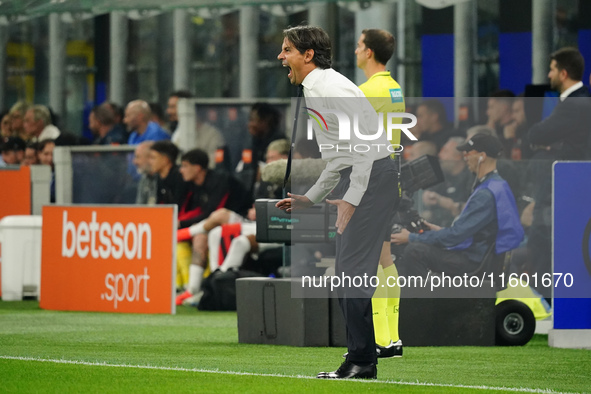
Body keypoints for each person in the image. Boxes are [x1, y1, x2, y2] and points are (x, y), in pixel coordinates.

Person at [275, 25, 399, 380]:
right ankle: (359, 359)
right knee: (348, 273)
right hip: (365, 178)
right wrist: (311, 197)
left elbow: (362, 149)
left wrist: (352, 199)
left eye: (286, 50)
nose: (281, 57)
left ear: (307, 54)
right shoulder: (319, 88)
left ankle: (362, 361)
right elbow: (340, 157)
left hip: (371, 179)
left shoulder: (330, 88)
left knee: (353, 274)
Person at [392, 133, 524, 278]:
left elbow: (455, 236)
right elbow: (473, 232)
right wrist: (440, 231)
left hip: (473, 261)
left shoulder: (485, 194)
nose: (465, 157)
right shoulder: (496, 185)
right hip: (479, 255)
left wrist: (411, 237)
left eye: (469, 153)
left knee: (415, 251)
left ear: (482, 156)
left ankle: (423, 299)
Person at [355, 28, 405, 359]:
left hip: (371, 178)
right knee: (385, 257)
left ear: (369, 52)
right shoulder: (395, 88)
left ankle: (382, 340)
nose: (356, 51)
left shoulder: (366, 91)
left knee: (373, 258)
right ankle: (392, 338)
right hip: (391, 174)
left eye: (359, 46)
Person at [175, 149, 250, 306]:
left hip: (245, 222)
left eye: (185, 166)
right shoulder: (195, 186)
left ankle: (180, 234)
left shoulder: (220, 180)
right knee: (200, 237)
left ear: (197, 168)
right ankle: (193, 290)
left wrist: (182, 227)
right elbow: (199, 213)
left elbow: (212, 212)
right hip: (217, 229)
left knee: (219, 214)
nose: (181, 170)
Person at [528, 47, 591, 160]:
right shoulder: (583, 97)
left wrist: (549, 146)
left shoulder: (572, 105)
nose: (549, 75)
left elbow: (536, 134)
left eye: (552, 70)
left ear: (563, 74)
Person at [168, 90, 226, 169]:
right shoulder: (177, 133)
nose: (169, 111)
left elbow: (214, 164)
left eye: (173, 107)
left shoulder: (212, 135)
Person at [148, 140, 185, 206]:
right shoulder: (158, 177)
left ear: (165, 160)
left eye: (153, 158)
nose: (149, 162)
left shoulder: (180, 177)